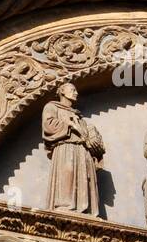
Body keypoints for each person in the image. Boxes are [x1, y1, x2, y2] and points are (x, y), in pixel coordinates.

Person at [42, 81, 104, 216]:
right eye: (73, 90)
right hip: (66, 148)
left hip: (82, 151)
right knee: (67, 174)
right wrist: (69, 125)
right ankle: (65, 207)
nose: (76, 93)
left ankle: (84, 209)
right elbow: (48, 125)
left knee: (84, 178)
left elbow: (85, 135)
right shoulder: (52, 107)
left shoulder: (78, 115)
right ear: (62, 91)